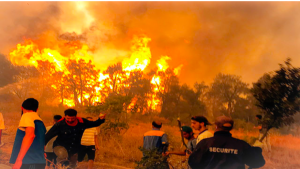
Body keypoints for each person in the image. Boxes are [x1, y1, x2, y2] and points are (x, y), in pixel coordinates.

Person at [188, 116, 265, 169]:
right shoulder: (241, 145)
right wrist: (257, 150)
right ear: (231, 128)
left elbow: (193, 163)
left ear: (216, 127)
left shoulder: (205, 143)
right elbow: (258, 162)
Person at [10, 98, 46, 169]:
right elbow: (41, 140)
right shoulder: (40, 120)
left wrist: (18, 160)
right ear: (37, 109)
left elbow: (30, 136)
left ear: (22, 107)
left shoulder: (26, 116)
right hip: (39, 162)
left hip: (28, 162)